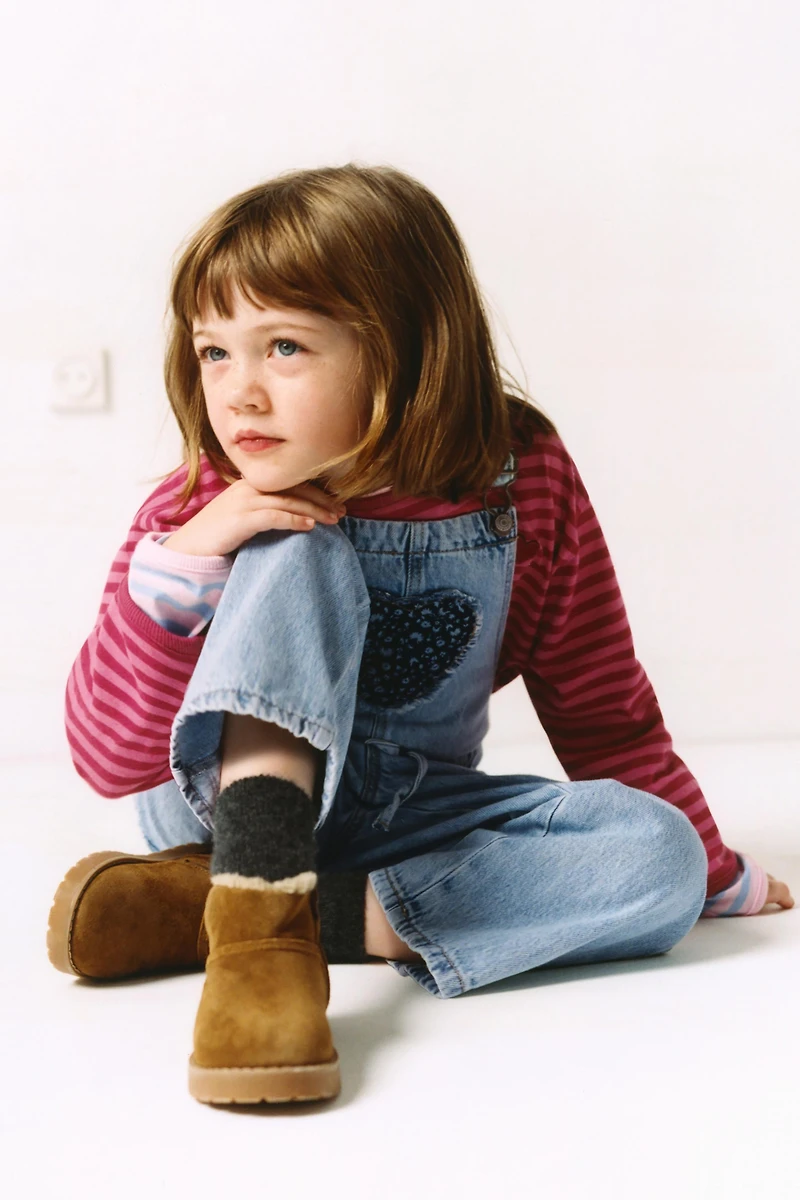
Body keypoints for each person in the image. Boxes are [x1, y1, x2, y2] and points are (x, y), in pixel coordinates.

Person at [49, 163, 794, 1108]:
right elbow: (109, 760)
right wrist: (183, 571)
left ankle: (230, 909)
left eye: (283, 346)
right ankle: (258, 929)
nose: (238, 394)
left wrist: (709, 870)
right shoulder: (200, 507)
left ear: (403, 346)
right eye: (214, 352)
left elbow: (601, 702)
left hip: (410, 812)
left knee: (658, 860)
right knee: (294, 547)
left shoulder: (521, 480)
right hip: (217, 809)